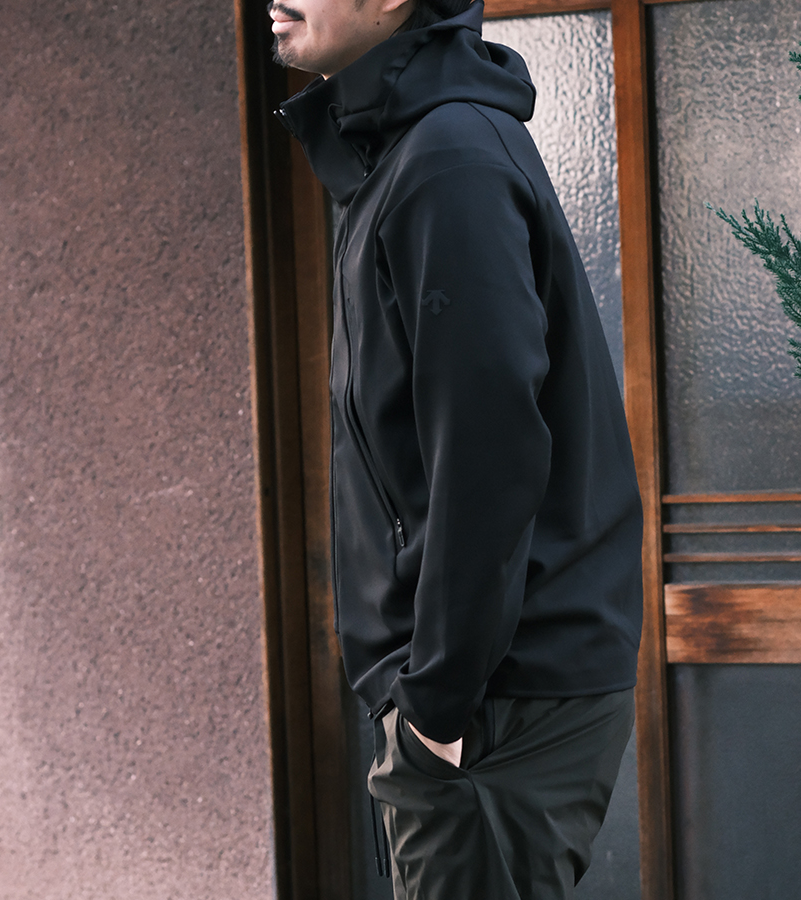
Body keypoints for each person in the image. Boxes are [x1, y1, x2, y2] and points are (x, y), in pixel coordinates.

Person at [273, 0, 644, 896]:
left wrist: (435, 705)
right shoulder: (404, 154)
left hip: (491, 697)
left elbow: (491, 453)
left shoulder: (447, 161)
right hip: (475, 690)